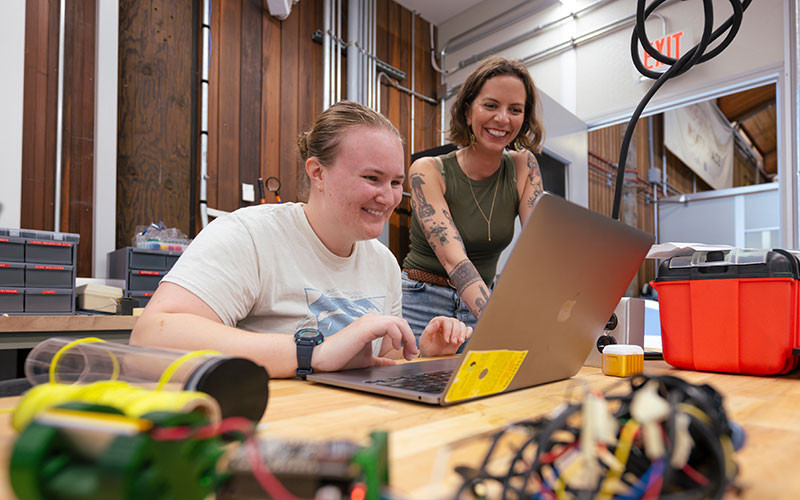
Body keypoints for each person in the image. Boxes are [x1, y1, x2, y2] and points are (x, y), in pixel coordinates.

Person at [130, 101, 472, 378]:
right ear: (317, 173)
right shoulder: (250, 235)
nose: (388, 197)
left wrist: (423, 355)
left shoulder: (382, 261)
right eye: (372, 178)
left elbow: (381, 360)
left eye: (396, 183)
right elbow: (152, 337)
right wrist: (316, 353)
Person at [401, 57, 545, 343]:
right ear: (468, 112)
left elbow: (539, 248)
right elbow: (454, 261)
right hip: (421, 304)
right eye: (491, 105)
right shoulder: (428, 171)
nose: (503, 118)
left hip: (483, 301)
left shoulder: (523, 166)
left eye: (515, 109)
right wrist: (500, 321)